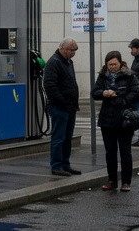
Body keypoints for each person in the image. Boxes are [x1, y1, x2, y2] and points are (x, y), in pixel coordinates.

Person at [92, 50, 139, 191]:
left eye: (114, 64)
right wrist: (104, 93)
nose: (112, 67)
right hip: (107, 118)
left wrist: (122, 99)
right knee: (110, 151)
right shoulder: (103, 76)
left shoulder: (130, 75)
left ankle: (126, 181)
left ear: (120, 63)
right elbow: (94, 92)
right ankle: (112, 180)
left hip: (124, 118)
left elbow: (136, 93)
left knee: (125, 151)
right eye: (109, 64)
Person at [44, 38, 82, 177]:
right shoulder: (54, 62)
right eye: (72, 50)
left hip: (69, 106)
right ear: (63, 48)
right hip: (60, 107)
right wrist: (62, 101)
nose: (73, 53)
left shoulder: (67, 62)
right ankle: (57, 165)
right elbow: (49, 85)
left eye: (75, 51)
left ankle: (65, 164)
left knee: (67, 137)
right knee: (59, 137)